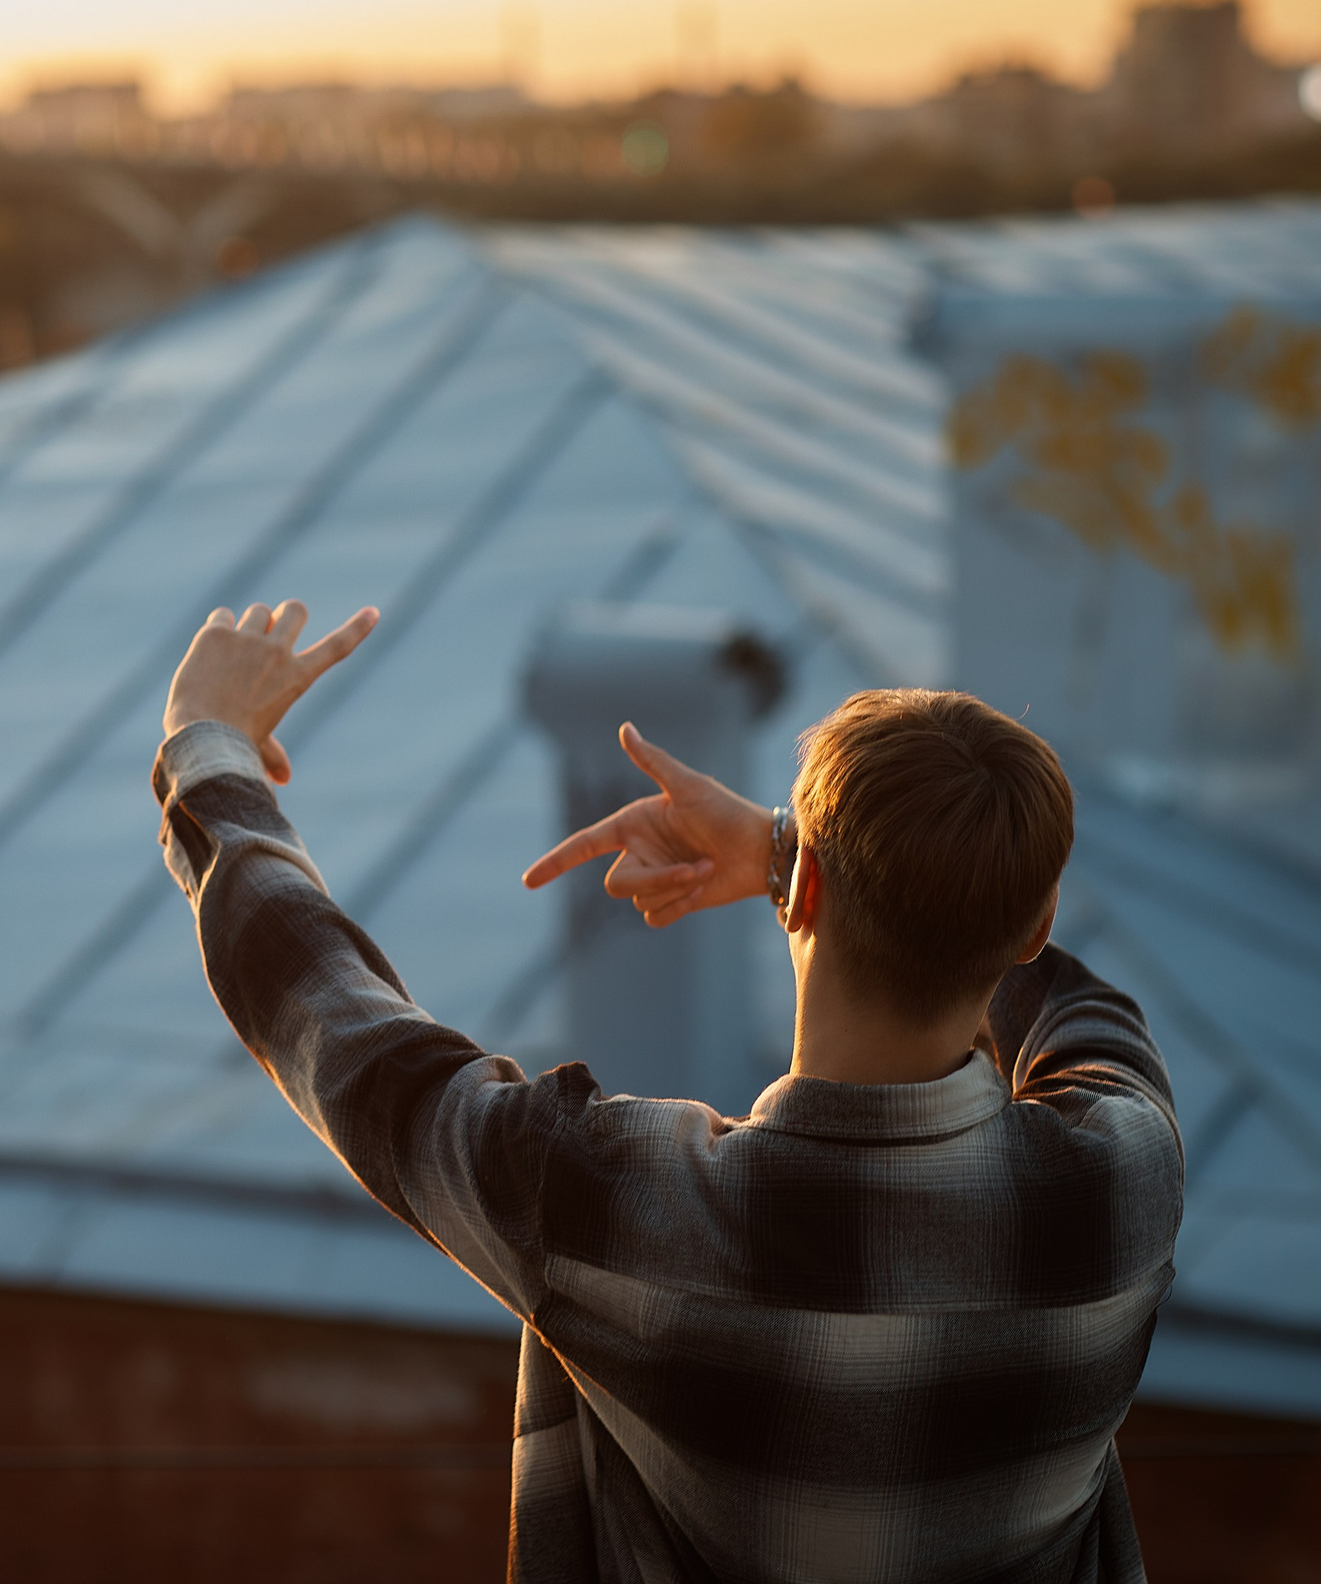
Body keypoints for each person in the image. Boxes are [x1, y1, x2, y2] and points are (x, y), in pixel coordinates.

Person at [152, 599, 1182, 1583]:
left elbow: (342, 1033)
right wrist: (794, 853)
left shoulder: (621, 1207)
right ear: (1035, 924)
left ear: (809, 892)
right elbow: (1080, 1013)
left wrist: (206, 749)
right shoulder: (1121, 1186)